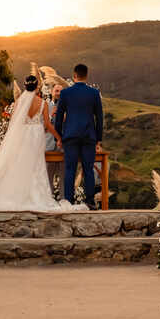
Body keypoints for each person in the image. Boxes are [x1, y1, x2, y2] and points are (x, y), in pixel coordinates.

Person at [0, 75, 79, 212]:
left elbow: (13, 125)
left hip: (23, 137)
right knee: (35, 166)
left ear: (25, 86)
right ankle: (32, 196)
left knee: (20, 164)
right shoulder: (42, 103)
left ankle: (18, 193)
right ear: (37, 87)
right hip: (36, 137)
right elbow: (47, 124)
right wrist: (59, 138)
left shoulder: (19, 102)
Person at [53, 63, 104, 209]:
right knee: (88, 169)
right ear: (86, 76)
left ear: (74, 76)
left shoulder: (65, 93)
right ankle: (90, 202)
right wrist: (98, 139)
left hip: (70, 136)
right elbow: (99, 118)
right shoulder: (94, 93)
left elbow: (59, 116)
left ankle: (69, 202)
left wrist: (59, 137)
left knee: (70, 169)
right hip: (89, 136)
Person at [45, 83, 64, 196]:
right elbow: (42, 126)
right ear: (52, 92)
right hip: (49, 146)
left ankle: (63, 200)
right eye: (56, 91)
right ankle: (48, 199)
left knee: (64, 175)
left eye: (61, 92)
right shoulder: (45, 106)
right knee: (48, 176)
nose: (58, 94)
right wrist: (51, 116)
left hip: (63, 147)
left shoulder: (67, 107)